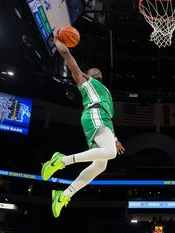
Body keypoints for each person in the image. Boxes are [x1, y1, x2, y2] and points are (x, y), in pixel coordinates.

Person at [40, 37, 125, 218]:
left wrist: (115, 139)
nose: (98, 70)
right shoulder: (85, 83)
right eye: (94, 69)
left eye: (99, 69)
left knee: (100, 166)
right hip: (94, 115)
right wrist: (60, 44)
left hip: (102, 120)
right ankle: (60, 161)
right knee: (110, 153)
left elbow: (109, 118)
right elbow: (69, 59)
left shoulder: (105, 91)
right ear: (87, 74)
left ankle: (63, 195)